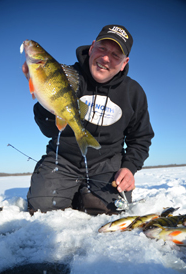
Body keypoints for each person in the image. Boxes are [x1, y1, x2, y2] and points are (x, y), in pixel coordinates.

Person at [22, 24, 154, 216]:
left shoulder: (133, 93)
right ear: (92, 48)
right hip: (63, 159)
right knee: (43, 209)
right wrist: (43, 91)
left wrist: (129, 167)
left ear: (124, 63)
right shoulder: (67, 77)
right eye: (102, 48)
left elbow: (141, 138)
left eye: (115, 55)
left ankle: (81, 194)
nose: (106, 58)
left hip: (106, 164)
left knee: (108, 211)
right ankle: (71, 191)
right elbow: (50, 131)